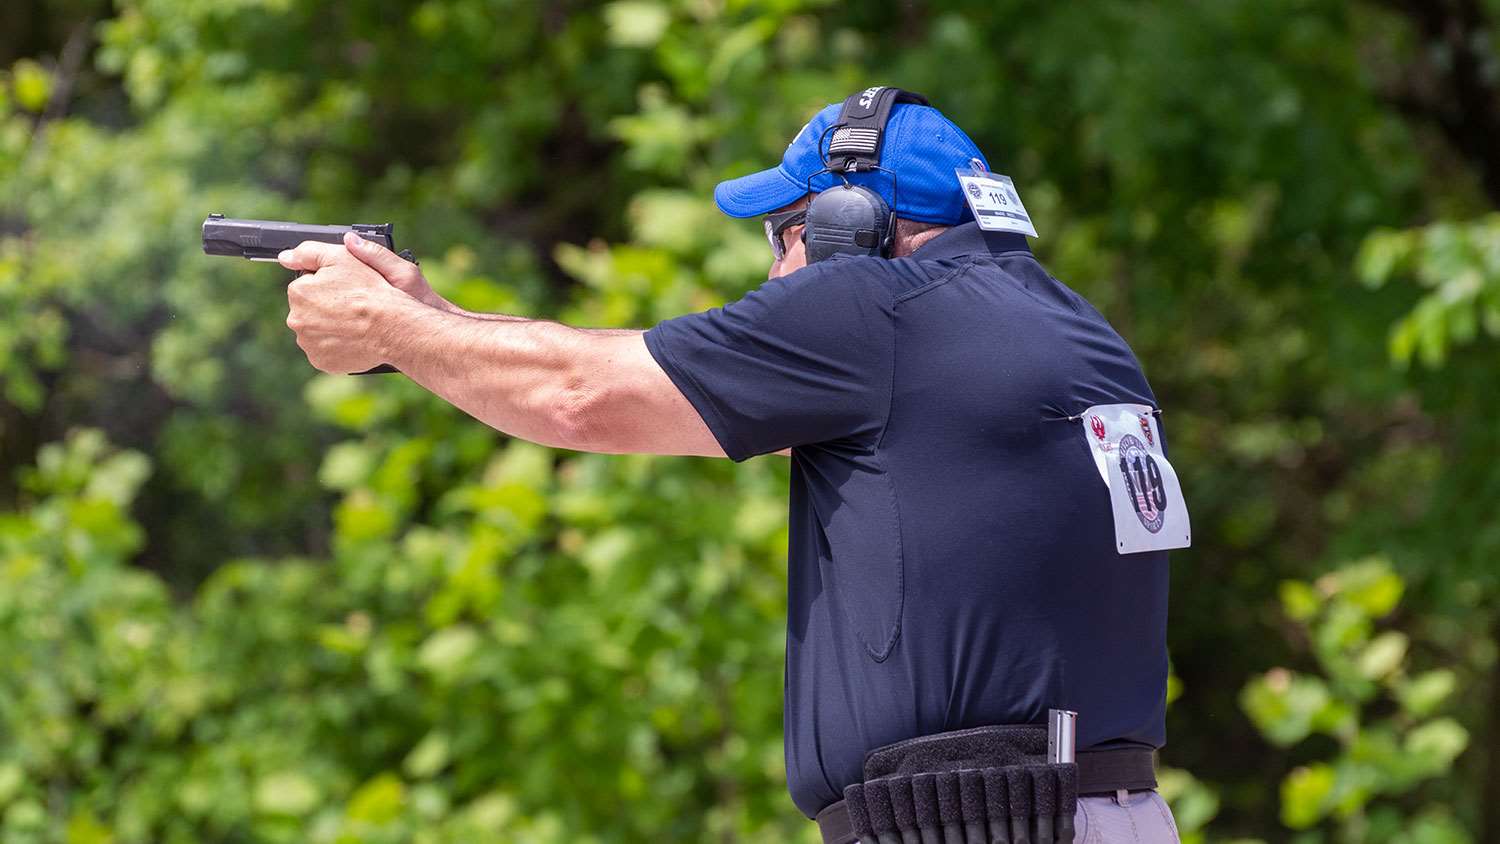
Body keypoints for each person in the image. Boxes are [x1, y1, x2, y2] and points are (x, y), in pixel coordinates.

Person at [277, 92, 1180, 843]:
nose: (778, 272)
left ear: (850, 224)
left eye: (784, 235)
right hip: (1087, 812)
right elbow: (636, 374)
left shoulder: (876, 311)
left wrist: (391, 332)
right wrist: (436, 323)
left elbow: (578, 394)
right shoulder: (1068, 333)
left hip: (981, 823)